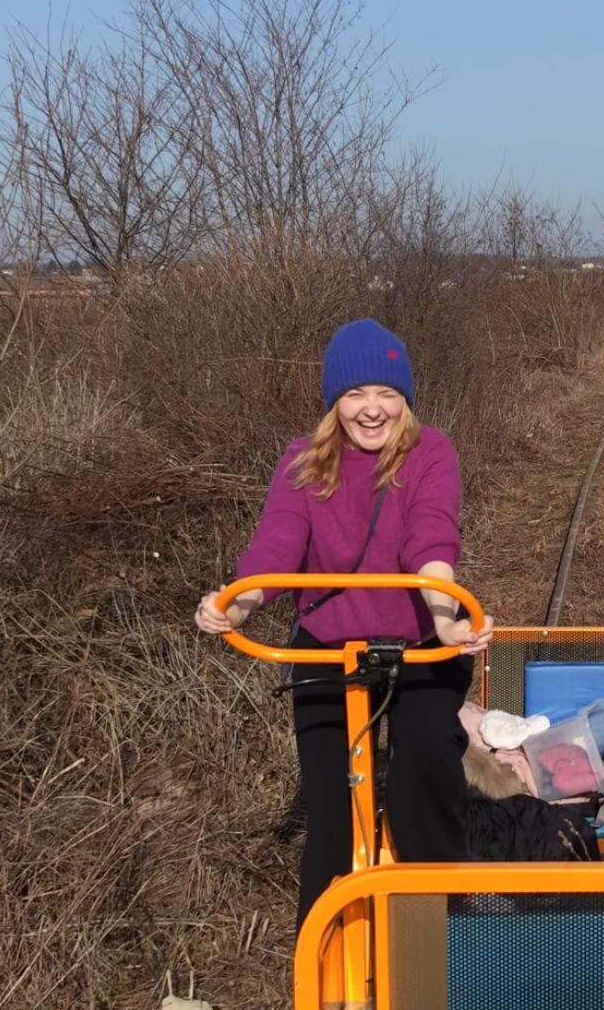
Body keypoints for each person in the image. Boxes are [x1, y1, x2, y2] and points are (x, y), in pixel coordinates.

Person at [193, 318, 494, 930]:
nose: (372, 409)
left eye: (387, 393)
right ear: (335, 403)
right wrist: (237, 603)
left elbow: (431, 538)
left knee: (423, 775)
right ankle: (324, 956)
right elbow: (276, 550)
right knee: (331, 812)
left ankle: (449, 927)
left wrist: (443, 621)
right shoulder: (303, 463)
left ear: (405, 401)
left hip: (418, 640)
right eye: (356, 394)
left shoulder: (428, 451)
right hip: (329, 645)